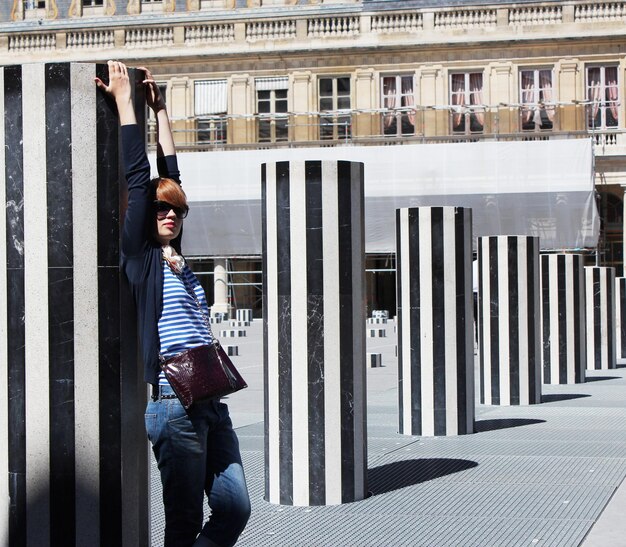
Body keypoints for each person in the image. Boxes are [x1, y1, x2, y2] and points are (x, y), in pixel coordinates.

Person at [95, 61, 251, 547]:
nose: (169, 214)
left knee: (235, 507)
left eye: (177, 210)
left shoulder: (176, 256)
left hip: (211, 399)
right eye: (162, 210)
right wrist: (126, 104)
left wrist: (161, 112)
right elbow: (142, 181)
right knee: (182, 523)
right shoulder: (141, 257)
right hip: (173, 403)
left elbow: (171, 174)